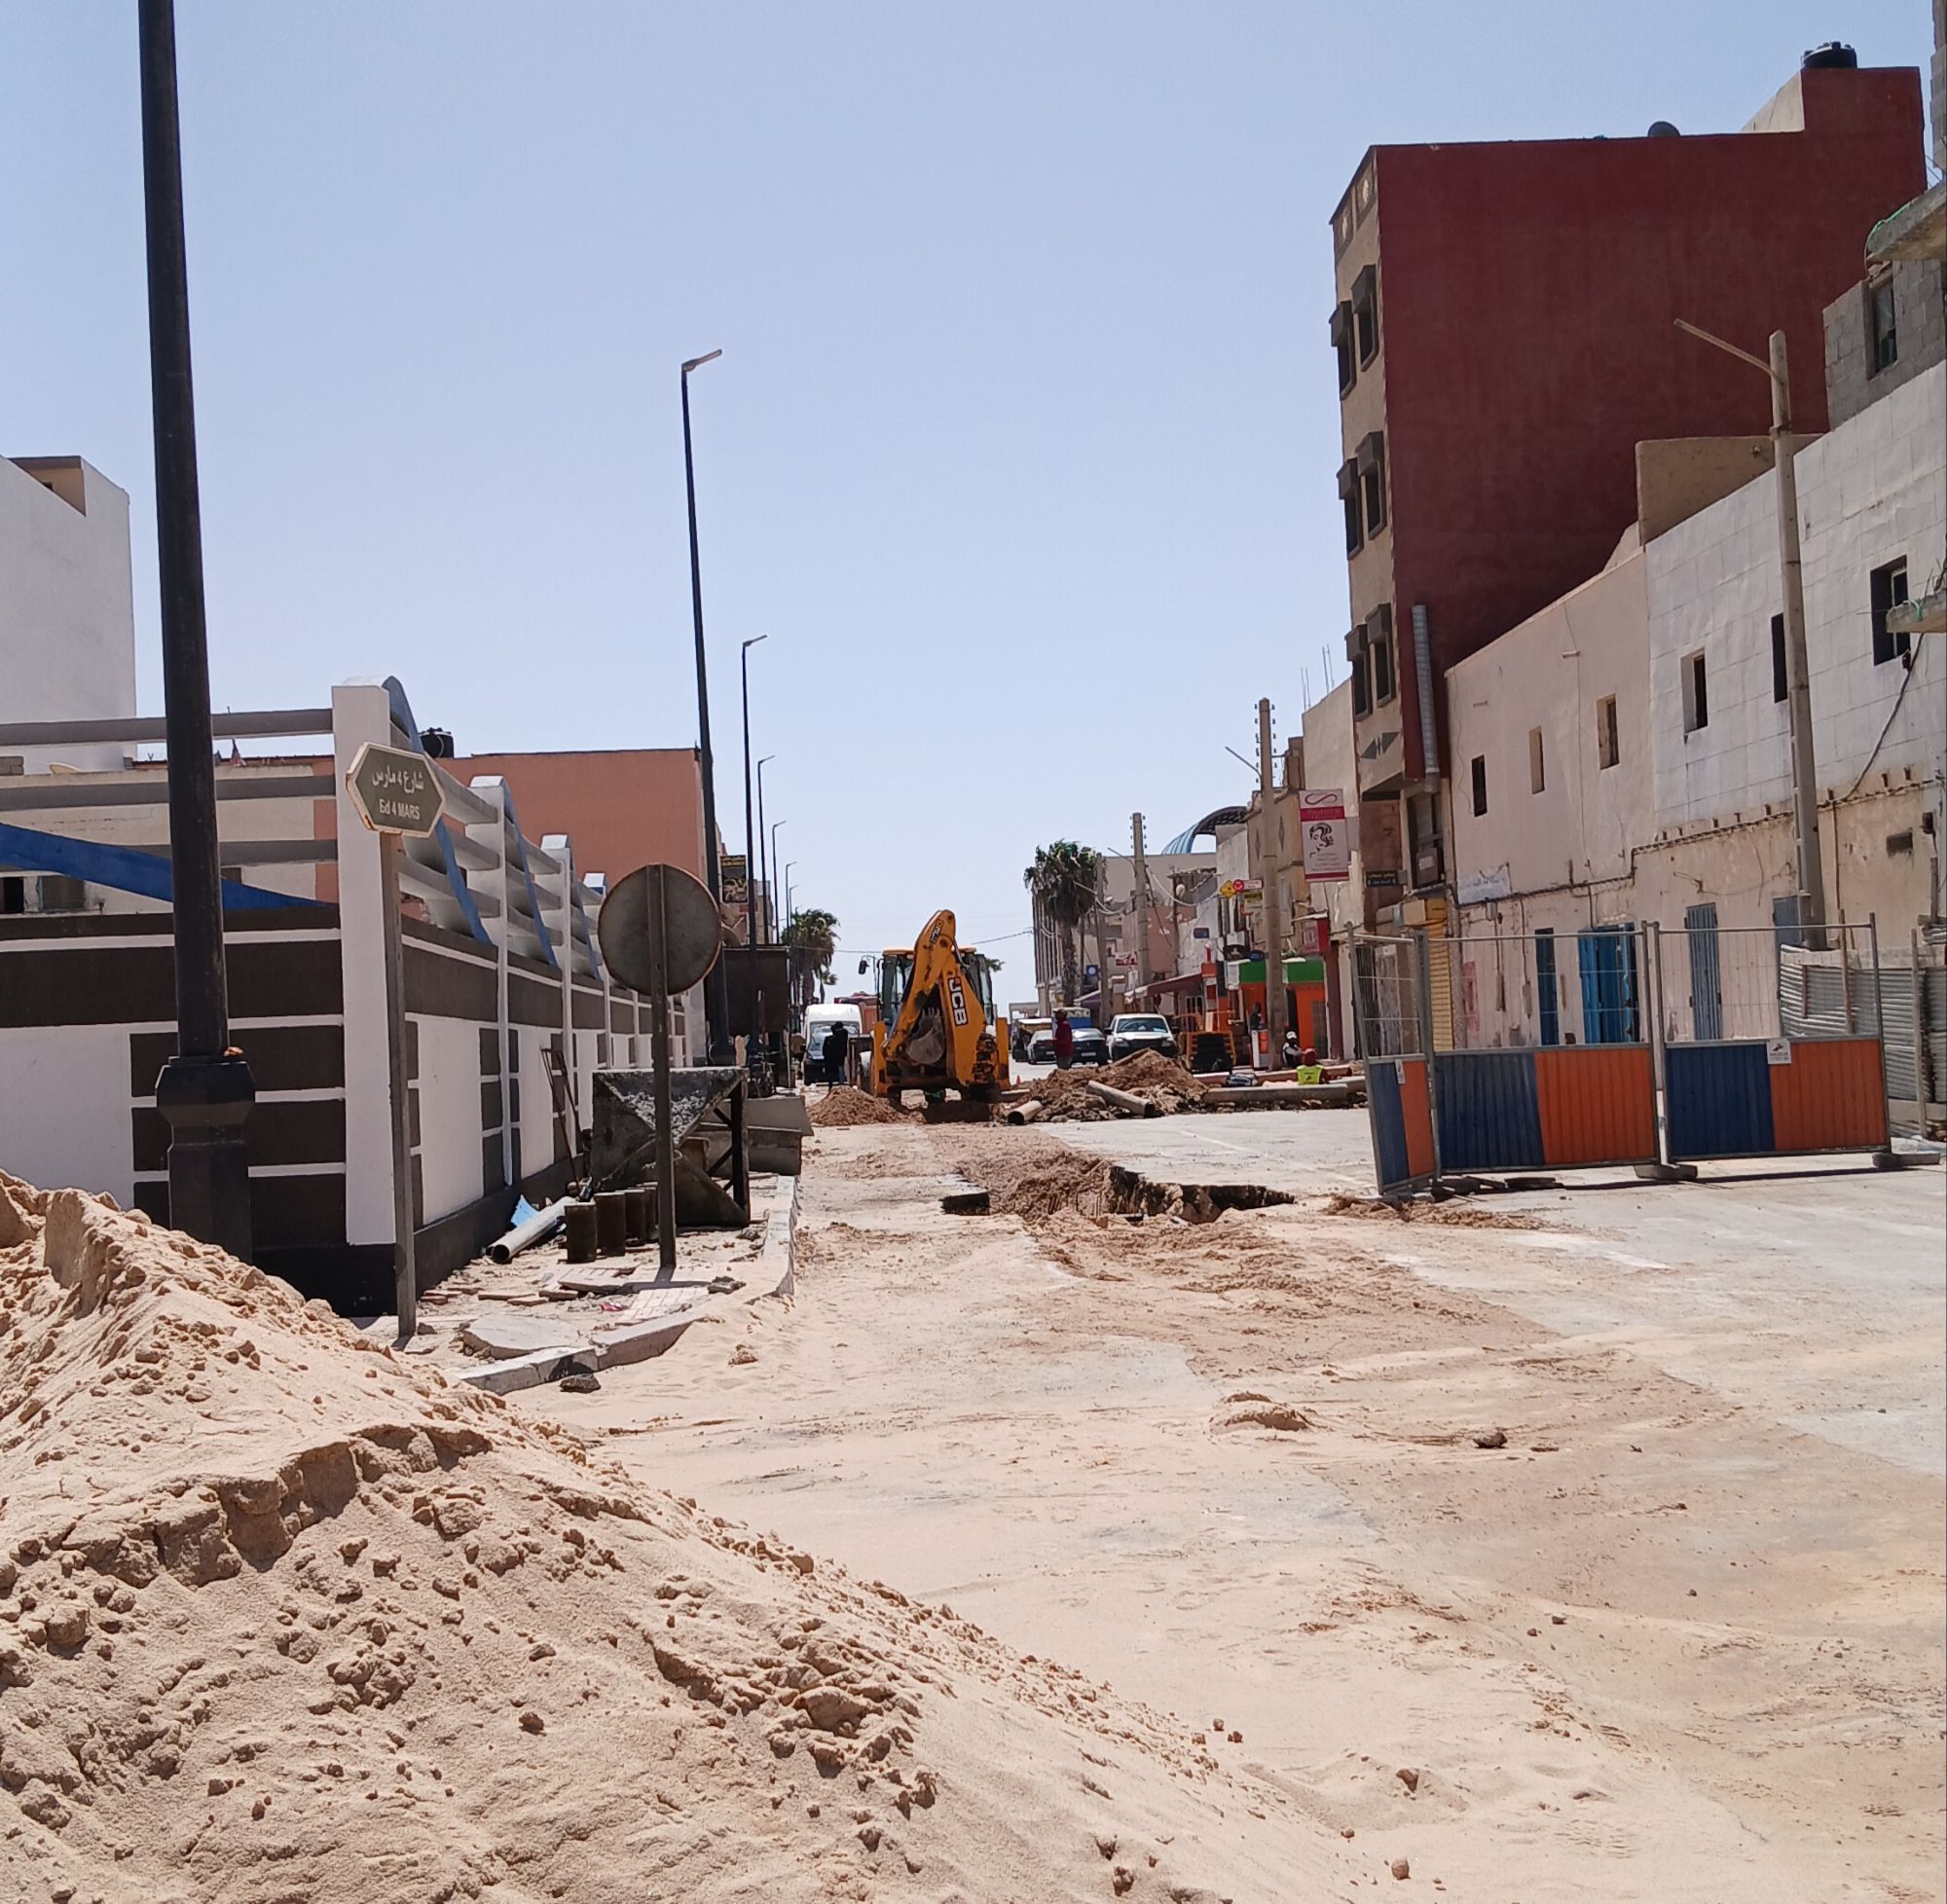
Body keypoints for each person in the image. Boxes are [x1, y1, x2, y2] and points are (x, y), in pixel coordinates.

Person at [823, 1018, 851, 1091]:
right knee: (840, 1069)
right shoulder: (844, 1034)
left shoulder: (832, 1038)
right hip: (840, 1055)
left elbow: (825, 1051)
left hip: (834, 1056)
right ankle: (841, 1083)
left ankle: (835, 1084)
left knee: (834, 1071)